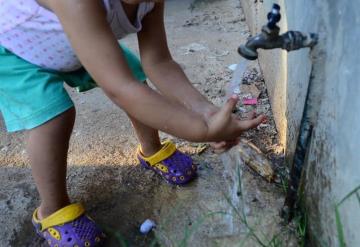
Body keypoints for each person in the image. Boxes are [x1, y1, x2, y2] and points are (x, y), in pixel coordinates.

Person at [0, 0, 266, 246]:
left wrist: (205, 112)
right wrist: (202, 131)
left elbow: (159, 62)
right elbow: (120, 89)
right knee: (53, 117)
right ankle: (52, 209)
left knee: (135, 75)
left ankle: (151, 150)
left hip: (78, 41)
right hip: (18, 51)